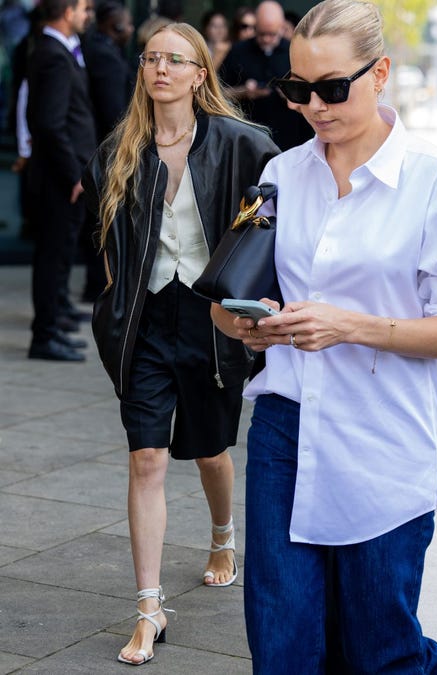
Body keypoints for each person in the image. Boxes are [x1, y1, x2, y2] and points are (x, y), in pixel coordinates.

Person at [211, 1, 437, 670]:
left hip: (384, 433)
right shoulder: (278, 175)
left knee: (380, 650)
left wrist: (346, 325)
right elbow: (224, 301)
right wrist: (252, 327)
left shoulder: (436, 179)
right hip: (285, 424)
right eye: (296, 88)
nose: (314, 106)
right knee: (282, 643)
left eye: (333, 87)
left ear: (381, 73)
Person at [82, 22, 278, 666]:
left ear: (201, 74)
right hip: (144, 321)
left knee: (211, 448)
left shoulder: (242, 144)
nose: (161, 68)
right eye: (151, 58)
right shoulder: (118, 151)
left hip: (210, 317)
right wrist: (113, 306)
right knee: (147, 460)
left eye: (177, 59)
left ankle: (224, 536)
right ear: (142, 72)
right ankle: (148, 608)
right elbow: (104, 245)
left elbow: (273, 220)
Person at [25, 0, 94, 362]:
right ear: (68, 12)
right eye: (83, 8)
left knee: (60, 254)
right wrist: (75, 175)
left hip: (61, 177)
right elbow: (50, 125)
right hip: (58, 180)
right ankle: (45, 335)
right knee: (52, 257)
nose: (87, 15)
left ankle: (54, 322)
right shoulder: (52, 54)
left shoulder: (56, 50)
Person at [80, 0, 134, 303]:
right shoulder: (106, 57)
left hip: (95, 149)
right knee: (103, 224)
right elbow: (116, 115)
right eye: (126, 24)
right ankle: (98, 286)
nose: (130, 30)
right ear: (114, 26)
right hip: (105, 152)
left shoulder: (97, 50)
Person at [218, 0, 312, 150]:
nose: (267, 39)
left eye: (272, 34)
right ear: (255, 27)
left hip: (290, 138)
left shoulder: (295, 51)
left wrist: (292, 93)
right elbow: (218, 93)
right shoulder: (238, 51)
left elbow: (313, 94)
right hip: (247, 138)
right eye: (262, 34)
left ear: (282, 28)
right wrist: (244, 92)